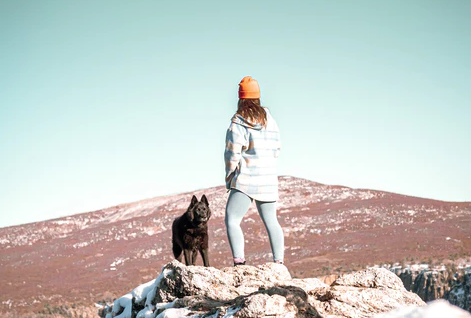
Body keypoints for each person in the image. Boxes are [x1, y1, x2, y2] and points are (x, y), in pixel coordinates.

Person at [224, 76, 284, 266]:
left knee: (232, 219)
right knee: (271, 221)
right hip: (268, 178)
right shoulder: (270, 120)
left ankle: (240, 263)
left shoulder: (238, 122)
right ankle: (279, 263)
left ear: (240, 98)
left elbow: (232, 153)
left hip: (246, 179)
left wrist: (230, 176)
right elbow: (277, 148)